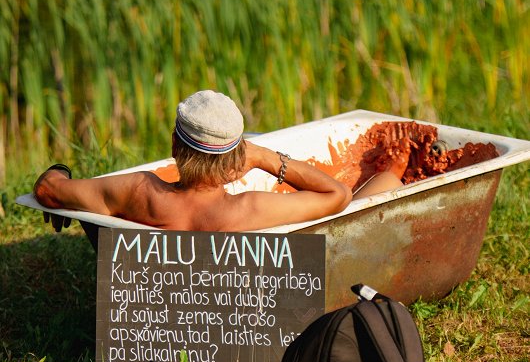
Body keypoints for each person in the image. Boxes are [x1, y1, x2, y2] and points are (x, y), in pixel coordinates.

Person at [34, 90, 404, 232]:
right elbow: (338, 195)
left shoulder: (137, 191)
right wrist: (264, 157)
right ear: (236, 155)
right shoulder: (250, 209)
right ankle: (398, 172)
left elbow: (48, 189)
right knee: (385, 182)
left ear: (175, 145)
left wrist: (61, 174)